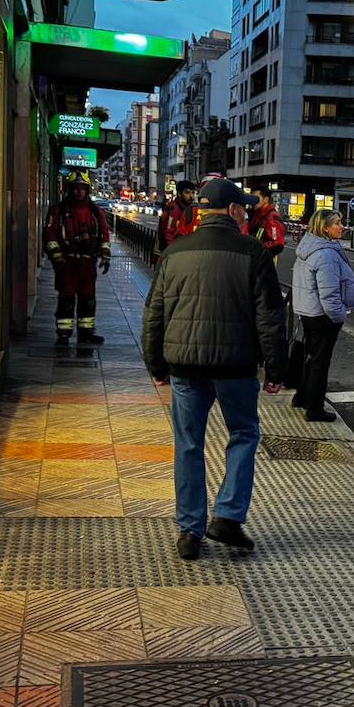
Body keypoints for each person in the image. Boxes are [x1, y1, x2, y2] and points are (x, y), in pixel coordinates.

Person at [141, 177, 287, 561]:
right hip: (237, 367)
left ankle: (189, 532)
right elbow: (271, 317)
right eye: (242, 208)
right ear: (235, 212)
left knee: (188, 444)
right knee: (243, 433)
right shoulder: (253, 252)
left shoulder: (175, 253)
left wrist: (156, 364)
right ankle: (227, 516)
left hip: (185, 367)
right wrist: (275, 370)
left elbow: (154, 313)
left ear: (201, 213)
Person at [291, 210, 354, 423]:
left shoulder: (309, 247)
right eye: (337, 223)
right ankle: (315, 408)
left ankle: (302, 397)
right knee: (321, 362)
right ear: (324, 228)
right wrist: (339, 315)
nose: (342, 227)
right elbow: (329, 293)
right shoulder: (326, 254)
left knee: (312, 357)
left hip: (308, 310)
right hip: (322, 315)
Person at [44, 170, 111, 344]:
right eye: (75, 188)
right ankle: (64, 334)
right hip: (68, 261)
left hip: (88, 262)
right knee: (66, 299)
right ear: (69, 189)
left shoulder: (96, 212)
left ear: (87, 190)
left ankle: (86, 333)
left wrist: (105, 254)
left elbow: (104, 233)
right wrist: (57, 256)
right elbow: (50, 235)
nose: (78, 192)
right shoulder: (58, 210)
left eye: (82, 188)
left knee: (88, 299)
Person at [152, 180, 197, 263]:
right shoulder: (174, 209)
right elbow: (168, 234)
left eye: (193, 193)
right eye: (187, 193)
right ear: (179, 194)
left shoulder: (186, 209)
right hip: (169, 255)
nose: (191, 196)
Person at [249, 189, 287, 261]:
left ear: (266, 199)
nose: (253, 200)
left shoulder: (271, 217)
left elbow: (277, 244)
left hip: (263, 259)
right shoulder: (256, 214)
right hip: (255, 257)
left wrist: (257, 248)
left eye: (256, 198)